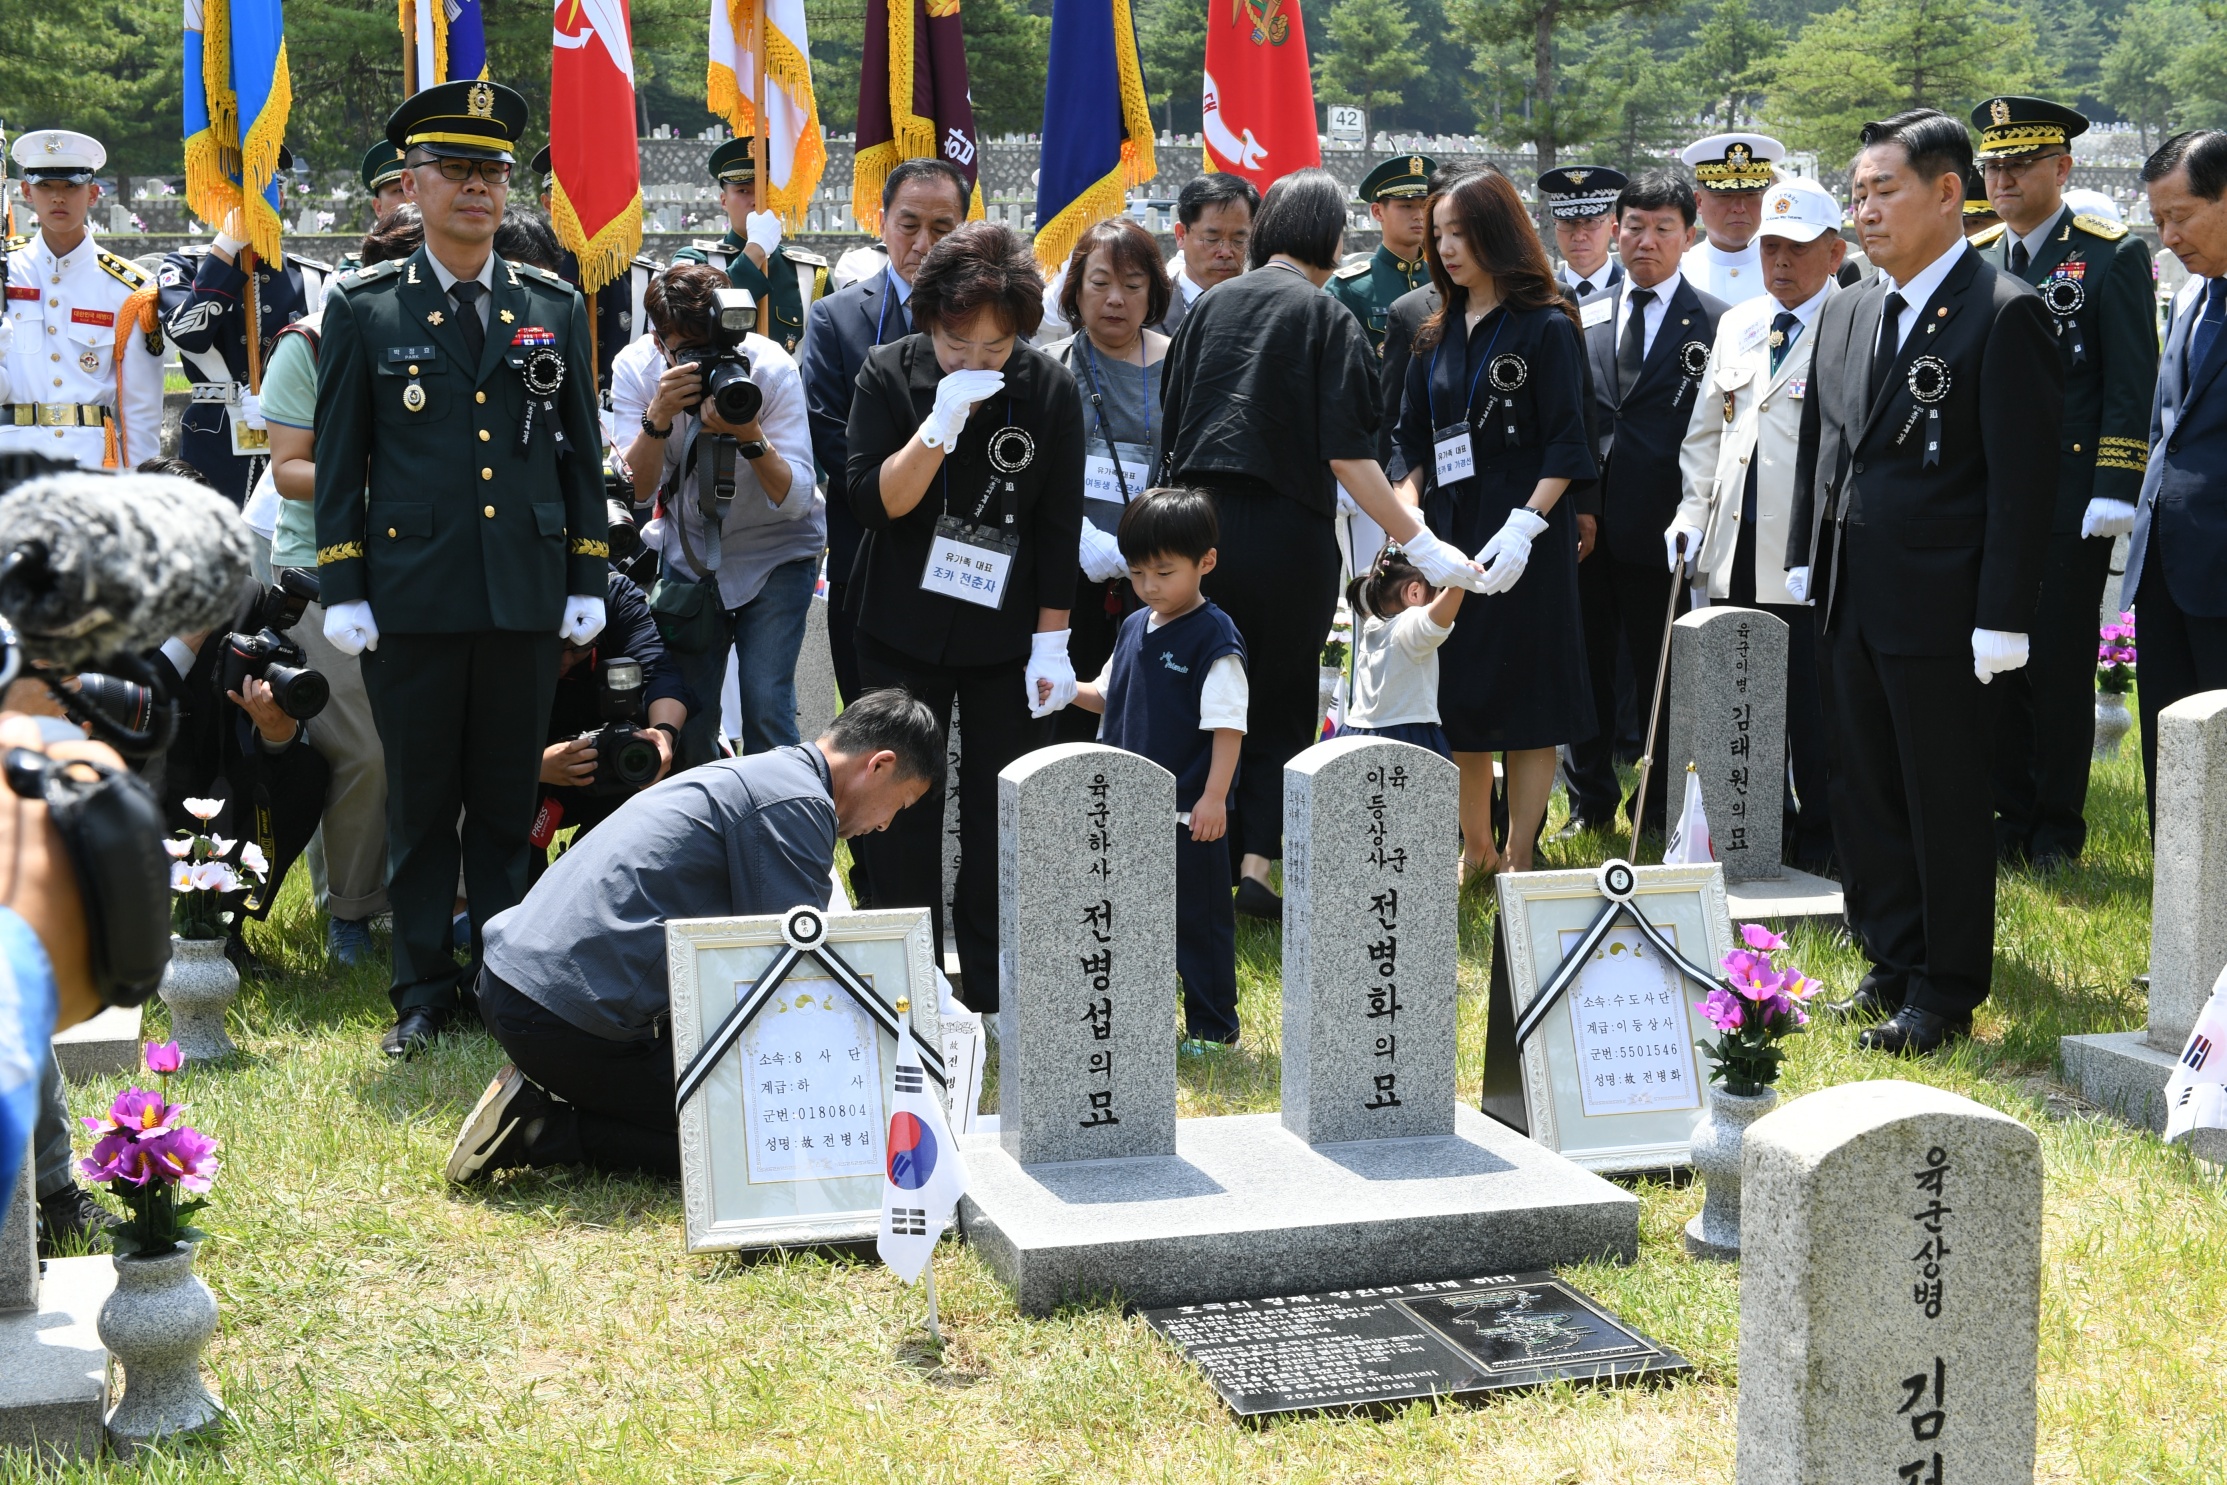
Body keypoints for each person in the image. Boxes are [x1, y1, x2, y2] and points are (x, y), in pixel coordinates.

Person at [313, 80, 610, 1060]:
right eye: (457, 169)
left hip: (523, 594)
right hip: (413, 596)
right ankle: (419, 991)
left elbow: (579, 455)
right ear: (413, 183)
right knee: (420, 800)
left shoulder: (552, 305)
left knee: (504, 803)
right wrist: (346, 587)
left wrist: (585, 578)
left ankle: (503, 979)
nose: (479, 188)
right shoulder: (363, 307)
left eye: (493, 170)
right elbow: (345, 453)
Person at [1786, 108, 2060, 1055]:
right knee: (1859, 785)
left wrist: (2002, 616)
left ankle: (1944, 988)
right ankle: (1890, 956)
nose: (1864, 211)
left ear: (1949, 193)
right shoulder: (1852, 302)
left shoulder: (2003, 310)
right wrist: (1802, 551)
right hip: (1852, 589)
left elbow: (2025, 482)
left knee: (1939, 794)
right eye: (1856, 193)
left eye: (1883, 191)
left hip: (1944, 606)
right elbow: (1825, 446)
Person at [1159, 167, 1488, 917]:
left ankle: (1193, 860)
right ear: (1332, 238)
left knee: (1198, 687)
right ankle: (1256, 863)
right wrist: (1422, 543)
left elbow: (1170, 432)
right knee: (1276, 696)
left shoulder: (1208, 308)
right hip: (1284, 531)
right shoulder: (1326, 315)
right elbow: (1349, 454)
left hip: (1197, 525)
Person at [445, 688, 942, 1182]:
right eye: (900, 804)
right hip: (559, 1016)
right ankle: (537, 1129)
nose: (883, 826)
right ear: (878, 765)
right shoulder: (799, 803)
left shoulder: (771, 774)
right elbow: (794, 975)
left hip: (518, 983)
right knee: (761, 1132)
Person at [843, 221, 1084, 1010]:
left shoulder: (1047, 388)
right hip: (900, 625)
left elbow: (1056, 523)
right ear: (929, 323)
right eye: (959, 344)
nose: (977, 362)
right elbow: (874, 502)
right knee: (900, 808)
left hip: (1005, 635)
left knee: (995, 812)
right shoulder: (886, 374)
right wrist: (936, 426)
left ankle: (990, 986)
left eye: (996, 347)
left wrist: (1053, 641)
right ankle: (902, 984)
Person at [1966, 95, 2159, 870]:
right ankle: (2006, 813)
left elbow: (2128, 378)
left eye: (2019, 164)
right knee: (1991, 664)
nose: (2004, 178)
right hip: (1984, 502)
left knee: (2054, 664)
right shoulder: (1978, 255)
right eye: (1992, 165)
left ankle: (2054, 827)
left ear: (2061, 168)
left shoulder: (2108, 253)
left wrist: (2113, 482)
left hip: (2065, 501)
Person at [1395, 169, 1597, 878]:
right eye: (1438, 234)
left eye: (1461, 232)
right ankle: (1473, 847)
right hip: (1451, 530)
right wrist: (1408, 510)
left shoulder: (1546, 323)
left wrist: (1526, 525)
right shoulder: (1434, 330)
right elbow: (1410, 442)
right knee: (1460, 693)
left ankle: (1517, 852)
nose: (1447, 248)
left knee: (1529, 694)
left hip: (1522, 532)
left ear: (1498, 233)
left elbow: (1568, 442)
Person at [1668, 176, 1845, 874]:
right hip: (1734, 546)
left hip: (1808, 554)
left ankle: (1826, 844)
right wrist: (1688, 512)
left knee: (1815, 710)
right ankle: (1757, 833)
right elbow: (1705, 435)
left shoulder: (1853, 321)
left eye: (1797, 248)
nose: (1779, 262)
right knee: (1746, 701)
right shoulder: (1738, 322)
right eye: (1769, 246)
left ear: (1833, 252)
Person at [260, 208, 418, 966]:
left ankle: (438, 898)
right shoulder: (310, 343)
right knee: (364, 752)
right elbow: (289, 469)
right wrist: (387, 484)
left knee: (432, 744)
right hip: (325, 572)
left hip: (425, 569)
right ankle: (351, 911)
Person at [1570, 168, 1728, 837]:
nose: (1644, 241)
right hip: (1584, 525)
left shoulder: (1715, 321)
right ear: (1614, 230)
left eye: (1662, 228)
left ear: (1687, 236)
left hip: (1662, 526)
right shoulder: (1582, 312)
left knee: (1657, 671)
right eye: (1633, 226)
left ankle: (1654, 803)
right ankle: (1588, 802)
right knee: (1584, 671)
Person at [613, 262, 818, 764]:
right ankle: (704, 834)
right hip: (691, 559)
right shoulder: (636, 370)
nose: (708, 364)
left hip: (777, 554)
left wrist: (750, 436)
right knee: (691, 716)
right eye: (690, 352)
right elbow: (634, 495)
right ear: (660, 341)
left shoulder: (767, 368)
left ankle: (775, 830)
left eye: (716, 348)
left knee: (767, 704)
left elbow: (796, 501)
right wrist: (657, 419)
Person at [1072, 488, 1246, 1051]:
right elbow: (1107, 695)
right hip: (1126, 807)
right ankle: (1139, 1018)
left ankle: (1212, 1026)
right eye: (1138, 573)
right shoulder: (1132, 627)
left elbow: (1228, 727)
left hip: (1187, 813)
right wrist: (1059, 690)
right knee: (1131, 919)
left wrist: (1214, 797)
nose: (1149, 586)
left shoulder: (1213, 638)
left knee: (1199, 923)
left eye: (1164, 573)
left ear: (1207, 563)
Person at [800, 156, 971, 710]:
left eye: (942, 228)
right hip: (867, 551)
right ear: (883, 223)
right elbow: (830, 436)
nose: (924, 243)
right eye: (909, 224)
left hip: (962, 557)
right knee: (873, 729)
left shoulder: (985, 324)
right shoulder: (835, 318)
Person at [2125, 129, 2227, 823]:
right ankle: (2179, 913)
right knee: (2172, 747)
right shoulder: (2190, 297)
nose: (2166, 237)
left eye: (2180, 216)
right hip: (2165, 563)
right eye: (2157, 219)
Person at [1039, 219, 1169, 745]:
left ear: (1153, 291)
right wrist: (1077, 535)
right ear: (1074, 288)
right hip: (1065, 579)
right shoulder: (1051, 367)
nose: (1115, 299)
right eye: (1100, 283)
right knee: (1063, 725)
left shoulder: (1180, 365)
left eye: (1133, 285)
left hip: (1156, 576)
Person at [157, 144, 334, 506]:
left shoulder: (313, 278)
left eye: (263, 191)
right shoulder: (187, 268)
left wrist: (278, 399)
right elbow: (189, 336)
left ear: (280, 197)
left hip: (294, 447)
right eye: (237, 192)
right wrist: (226, 249)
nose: (251, 203)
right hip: (214, 446)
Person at [0, 129, 164, 472]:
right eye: (46, 186)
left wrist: (143, 489)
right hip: (11, 462)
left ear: (92, 194)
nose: (58, 197)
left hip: (92, 465)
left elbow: (140, 408)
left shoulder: (128, 288)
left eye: (71, 186)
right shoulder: (7, 273)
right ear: (27, 192)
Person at [533, 569, 692, 864]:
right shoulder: (505, 598)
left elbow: (659, 672)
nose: (565, 660)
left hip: (611, 768)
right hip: (515, 771)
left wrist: (663, 735)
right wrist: (533, 768)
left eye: (579, 647)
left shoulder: (614, 596)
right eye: (552, 648)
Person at [670, 137, 831, 359]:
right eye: (743, 191)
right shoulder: (695, 261)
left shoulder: (809, 273)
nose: (757, 201)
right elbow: (685, 324)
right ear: (724, 201)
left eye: (766, 190)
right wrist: (754, 252)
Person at [529, 144, 654, 388]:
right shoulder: (531, 277)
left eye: (593, 192)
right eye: (568, 196)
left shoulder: (645, 281)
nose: (583, 206)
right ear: (548, 204)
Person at [1341, 544, 1465, 761]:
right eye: (1436, 589)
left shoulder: (1373, 625)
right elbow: (1441, 614)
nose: (1438, 596)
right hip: (1408, 735)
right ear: (1414, 592)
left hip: (1358, 733)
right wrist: (1462, 577)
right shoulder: (1411, 624)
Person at [1328, 154, 1438, 358]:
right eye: (1406, 205)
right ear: (1378, 212)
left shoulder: (1444, 281)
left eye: (1424, 205)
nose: (1419, 215)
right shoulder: (1348, 288)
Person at [1679, 133, 1783, 305]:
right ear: (1699, 202)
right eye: (1725, 195)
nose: (1739, 208)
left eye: (1751, 195)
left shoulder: (1788, 269)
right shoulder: (1678, 271)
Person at [1159, 173, 1259, 338]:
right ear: (1181, 235)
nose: (1226, 252)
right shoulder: (1149, 306)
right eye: (1212, 239)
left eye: (1239, 240)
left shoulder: (1265, 311)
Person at [1537, 165, 1628, 300]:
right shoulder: (1539, 297)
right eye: (1568, 222)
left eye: (1591, 221)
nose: (1579, 236)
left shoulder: (1633, 293)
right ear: (1555, 222)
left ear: (1612, 223)